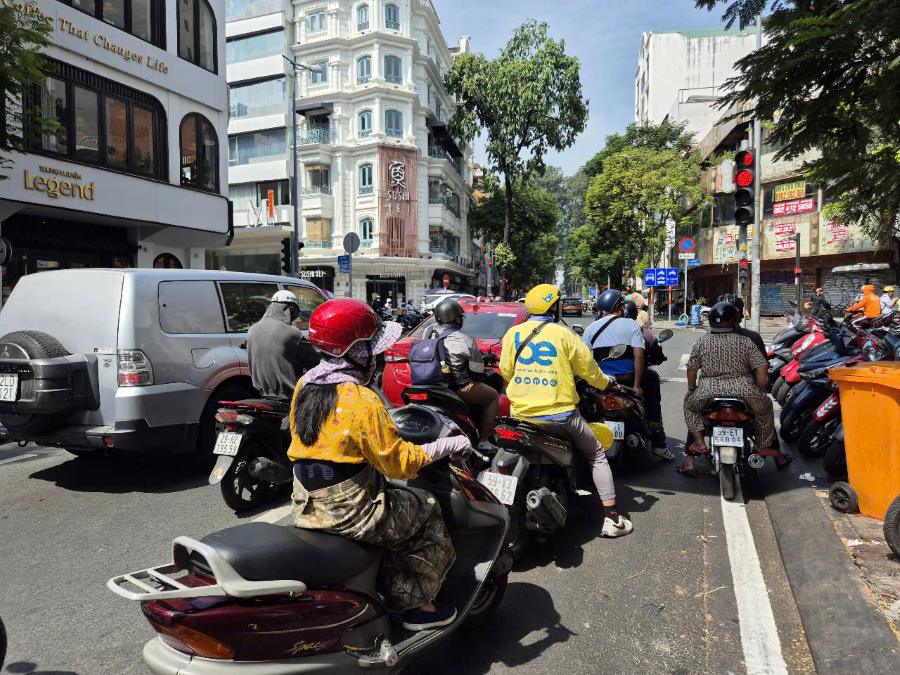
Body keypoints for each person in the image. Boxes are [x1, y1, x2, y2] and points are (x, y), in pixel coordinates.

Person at [288, 298, 471, 631]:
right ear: (357, 351)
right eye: (374, 349)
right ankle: (421, 605)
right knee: (426, 505)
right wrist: (448, 444)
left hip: (306, 503)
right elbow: (399, 465)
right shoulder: (360, 398)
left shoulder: (305, 385)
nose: (380, 356)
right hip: (351, 511)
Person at [500, 284, 633, 537]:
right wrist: (606, 383)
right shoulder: (564, 335)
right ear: (555, 307)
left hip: (521, 415)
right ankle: (612, 518)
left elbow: (506, 371)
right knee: (596, 454)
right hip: (560, 414)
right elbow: (590, 371)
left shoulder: (513, 334)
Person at [681, 301, 791, 477]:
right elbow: (762, 368)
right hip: (745, 390)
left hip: (708, 390)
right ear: (734, 319)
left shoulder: (702, 342)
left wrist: (692, 389)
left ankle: (700, 444)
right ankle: (762, 446)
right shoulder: (746, 341)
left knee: (690, 406)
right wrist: (759, 389)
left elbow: (692, 368)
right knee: (765, 409)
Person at [587, 290, 671, 460]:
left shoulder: (590, 329)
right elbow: (639, 356)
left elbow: (584, 359)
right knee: (653, 379)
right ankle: (659, 444)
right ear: (619, 307)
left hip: (602, 382)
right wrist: (637, 386)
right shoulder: (632, 325)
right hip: (628, 379)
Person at [430, 300, 499, 452]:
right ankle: (484, 440)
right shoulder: (464, 339)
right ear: (456, 318)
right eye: (460, 317)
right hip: (455, 387)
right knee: (493, 396)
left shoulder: (428, 334)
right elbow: (477, 371)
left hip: (431, 385)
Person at [246, 291, 320, 400]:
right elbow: (315, 360)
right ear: (290, 309)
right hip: (289, 395)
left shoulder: (252, 330)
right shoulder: (292, 333)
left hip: (262, 393)